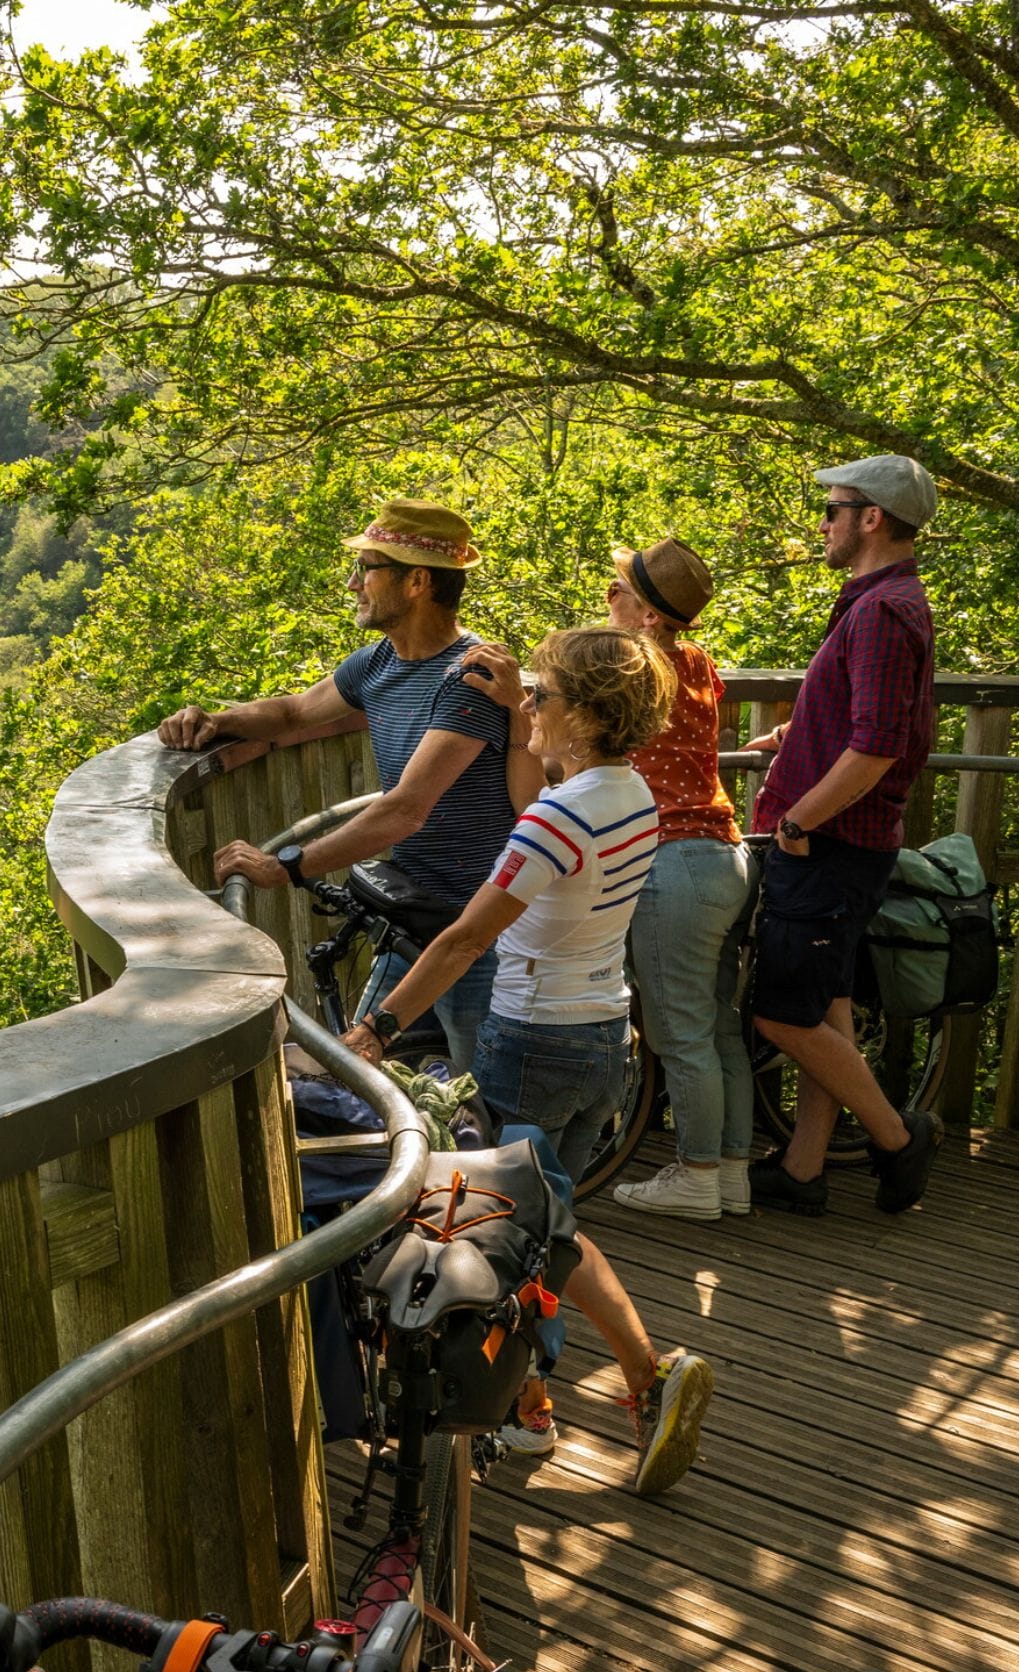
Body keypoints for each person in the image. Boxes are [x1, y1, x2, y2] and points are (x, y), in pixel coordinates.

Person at [340, 625, 712, 1484]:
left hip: (530, 1043)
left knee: (495, 1229)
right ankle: (623, 1383)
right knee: (549, 1227)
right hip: (602, 1042)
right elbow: (534, 808)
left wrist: (379, 1029)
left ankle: (554, 1403)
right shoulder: (632, 793)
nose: (531, 702)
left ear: (581, 714)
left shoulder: (558, 816)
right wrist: (514, 717)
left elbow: (469, 937)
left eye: (542, 694)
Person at [158, 499, 541, 1071]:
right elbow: (293, 714)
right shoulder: (379, 662)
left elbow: (406, 810)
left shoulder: (469, 678)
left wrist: (286, 865)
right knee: (371, 1068)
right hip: (413, 911)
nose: (353, 583)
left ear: (416, 581)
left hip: (474, 926)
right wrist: (217, 720)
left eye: (367, 568)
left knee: (482, 1099)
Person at [745, 455, 944, 1215]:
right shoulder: (875, 601)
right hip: (838, 840)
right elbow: (866, 719)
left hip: (830, 845)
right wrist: (799, 737)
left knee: (781, 1012)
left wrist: (798, 820)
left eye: (831, 509)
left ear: (871, 518)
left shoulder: (884, 611)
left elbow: (880, 746)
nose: (821, 522)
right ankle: (803, 1171)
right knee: (825, 1005)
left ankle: (898, 1138)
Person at [600, 538, 759, 1222]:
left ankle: (694, 1176)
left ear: (648, 616)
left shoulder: (632, 668)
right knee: (718, 1027)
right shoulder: (693, 660)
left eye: (620, 592)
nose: (608, 598)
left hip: (672, 864)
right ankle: (730, 1175)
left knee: (681, 1034)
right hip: (723, 855)